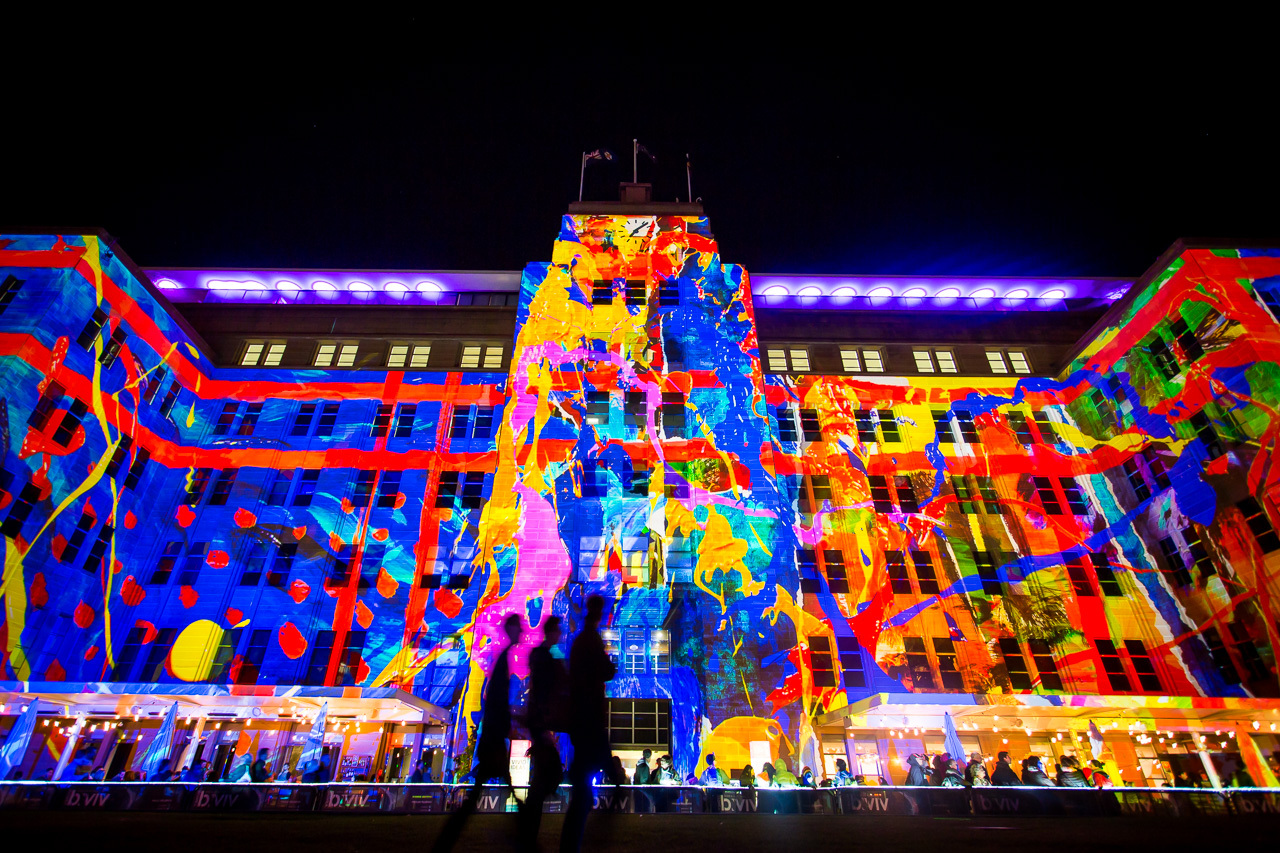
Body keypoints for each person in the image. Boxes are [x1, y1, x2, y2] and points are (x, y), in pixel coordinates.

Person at [434, 613, 523, 853]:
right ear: (512, 630)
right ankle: (525, 831)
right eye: (519, 628)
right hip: (494, 738)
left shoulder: (504, 658)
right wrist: (504, 727)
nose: (523, 632)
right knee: (497, 789)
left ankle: (448, 838)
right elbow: (495, 700)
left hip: (494, 737)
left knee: (488, 790)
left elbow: (495, 700)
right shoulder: (504, 659)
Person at [560, 595, 616, 853]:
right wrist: (609, 666)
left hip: (582, 719)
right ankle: (583, 839)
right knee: (594, 778)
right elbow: (605, 670)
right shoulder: (591, 639)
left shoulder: (581, 640)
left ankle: (574, 842)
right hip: (589, 717)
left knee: (584, 782)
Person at [519, 615, 569, 847]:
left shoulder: (547, 654)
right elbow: (544, 689)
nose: (560, 634)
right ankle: (527, 830)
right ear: (551, 632)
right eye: (558, 631)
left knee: (542, 780)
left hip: (541, 723)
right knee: (545, 780)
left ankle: (528, 831)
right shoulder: (543, 656)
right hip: (540, 722)